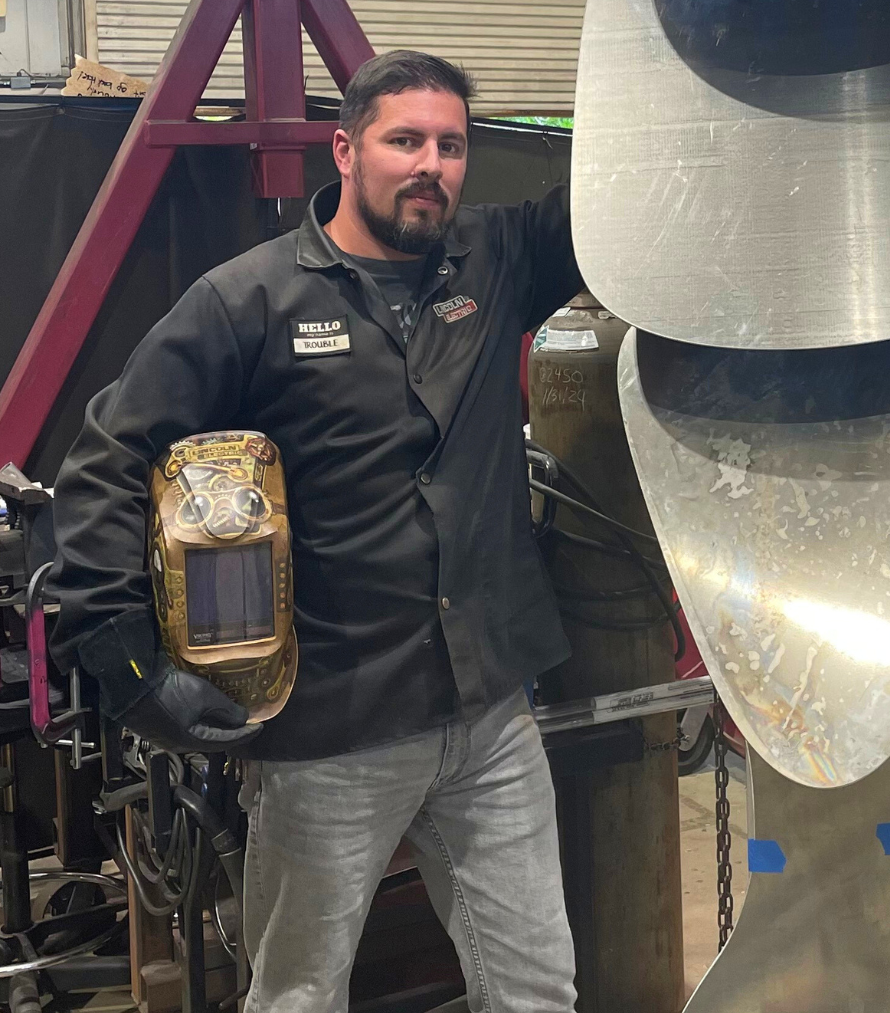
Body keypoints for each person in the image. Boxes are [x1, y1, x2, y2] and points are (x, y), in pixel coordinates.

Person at [48, 50, 582, 1013]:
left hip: (491, 716)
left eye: (452, 145)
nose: (433, 165)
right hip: (330, 732)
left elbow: (627, 186)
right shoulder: (247, 302)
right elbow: (107, 465)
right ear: (345, 149)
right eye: (405, 140)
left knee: (536, 988)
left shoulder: (497, 262)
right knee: (298, 995)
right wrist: (124, 659)